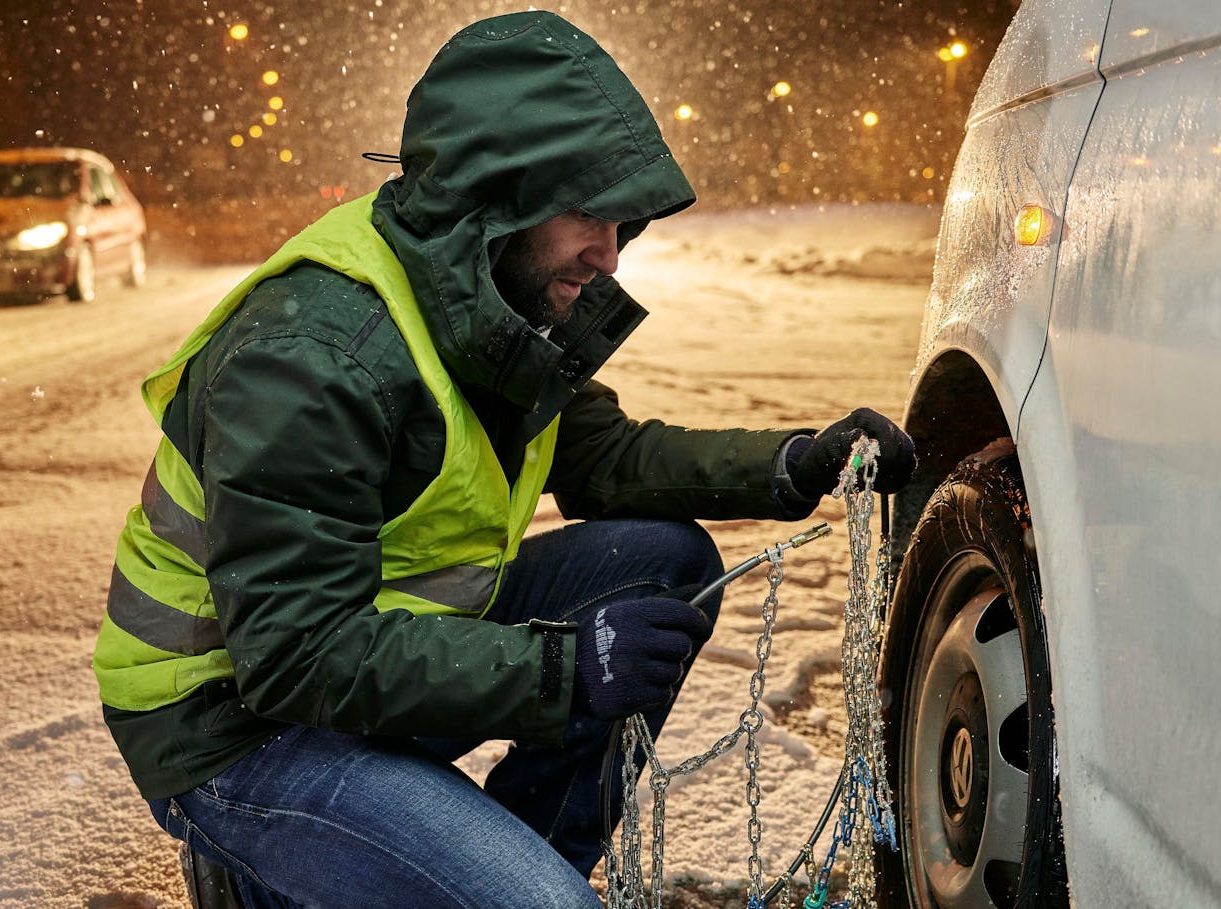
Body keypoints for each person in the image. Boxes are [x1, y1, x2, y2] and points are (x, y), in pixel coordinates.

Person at [94, 11, 914, 908]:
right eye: (587, 216)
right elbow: (297, 653)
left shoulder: (488, 299)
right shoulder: (315, 358)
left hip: (373, 655)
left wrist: (796, 462)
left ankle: (498, 861)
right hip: (238, 723)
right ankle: (264, 857)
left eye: (622, 222)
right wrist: (566, 672)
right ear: (498, 200)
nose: (608, 254)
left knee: (663, 565)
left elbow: (606, 455)